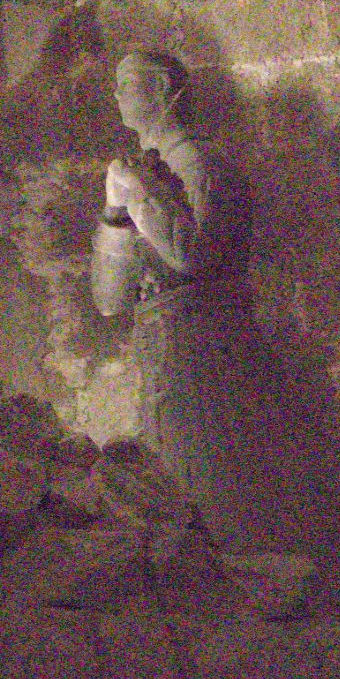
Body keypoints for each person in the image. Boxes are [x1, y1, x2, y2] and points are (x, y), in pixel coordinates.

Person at [90, 49, 261, 542]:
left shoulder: (199, 162)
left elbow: (191, 256)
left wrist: (141, 194)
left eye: (127, 83)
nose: (116, 94)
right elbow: (109, 299)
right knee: (173, 466)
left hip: (205, 339)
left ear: (164, 89)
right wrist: (115, 213)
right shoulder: (144, 168)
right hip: (163, 341)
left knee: (208, 471)